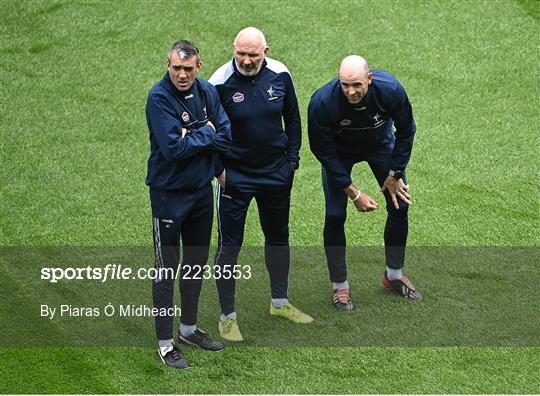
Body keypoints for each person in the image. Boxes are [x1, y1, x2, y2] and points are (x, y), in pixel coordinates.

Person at [208, 27, 313, 341]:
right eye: (241, 53)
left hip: (275, 174)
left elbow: (292, 119)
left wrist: (292, 161)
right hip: (234, 177)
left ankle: (279, 302)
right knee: (229, 245)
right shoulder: (219, 82)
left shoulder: (280, 75)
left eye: (253, 54)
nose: (246, 60)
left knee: (279, 237)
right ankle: (227, 317)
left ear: (266, 51)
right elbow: (207, 130)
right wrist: (218, 170)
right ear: (234, 49)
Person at [308, 55, 422, 312]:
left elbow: (406, 131)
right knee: (335, 215)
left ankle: (393, 275)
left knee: (399, 206)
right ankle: (340, 286)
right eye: (345, 85)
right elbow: (323, 152)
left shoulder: (390, 89)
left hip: (380, 145)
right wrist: (353, 192)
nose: (351, 91)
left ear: (369, 80)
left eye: (357, 85)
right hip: (339, 153)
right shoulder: (322, 102)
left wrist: (394, 174)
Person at [145, 40, 231, 369]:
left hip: (200, 193)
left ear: (199, 66)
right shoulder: (158, 98)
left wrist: (191, 134)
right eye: (176, 68)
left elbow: (225, 133)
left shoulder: (208, 92)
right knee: (167, 267)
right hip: (168, 195)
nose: (182, 75)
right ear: (167, 66)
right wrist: (204, 134)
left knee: (196, 263)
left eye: (188, 69)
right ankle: (165, 344)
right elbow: (172, 149)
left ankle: (189, 329)